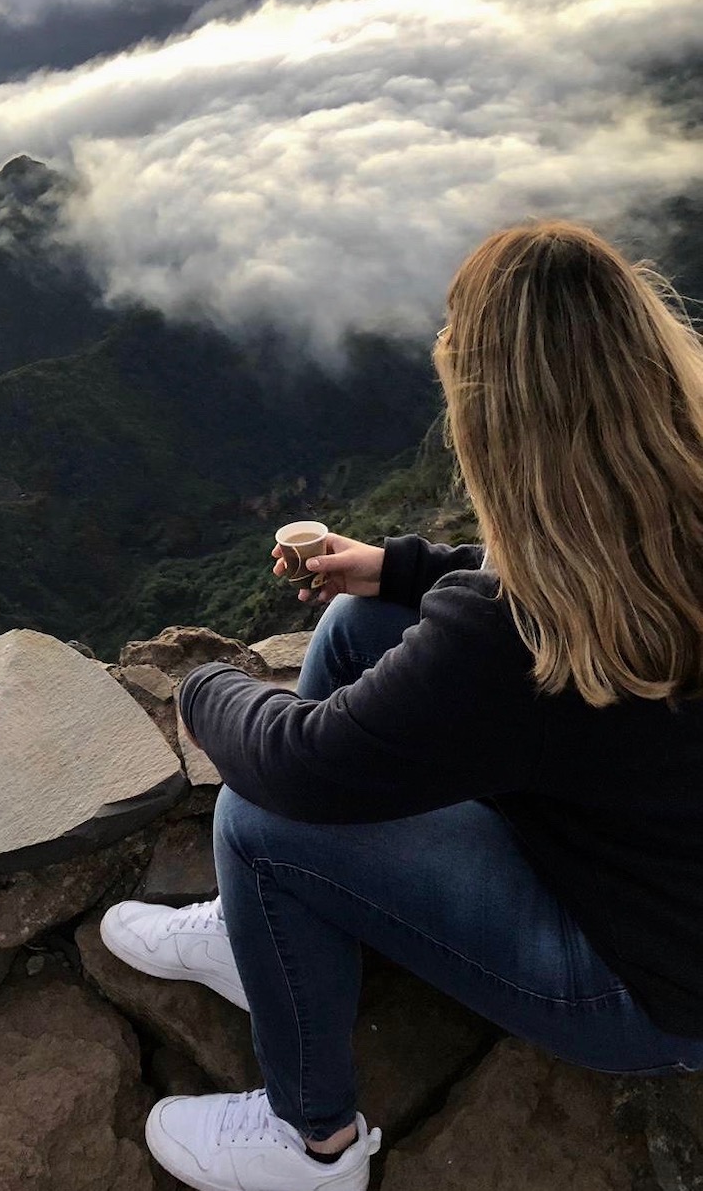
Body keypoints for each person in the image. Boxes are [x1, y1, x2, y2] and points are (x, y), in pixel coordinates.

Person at [101, 220, 703, 1191]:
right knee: (354, 623)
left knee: (258, 817)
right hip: (657, 871)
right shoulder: (676, 488)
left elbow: (300, 765)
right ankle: (267, 929)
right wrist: (400, 567)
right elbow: (580, 564)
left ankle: (314, 1142)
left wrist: (199, 682)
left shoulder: (511, 630)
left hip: (644, 983)